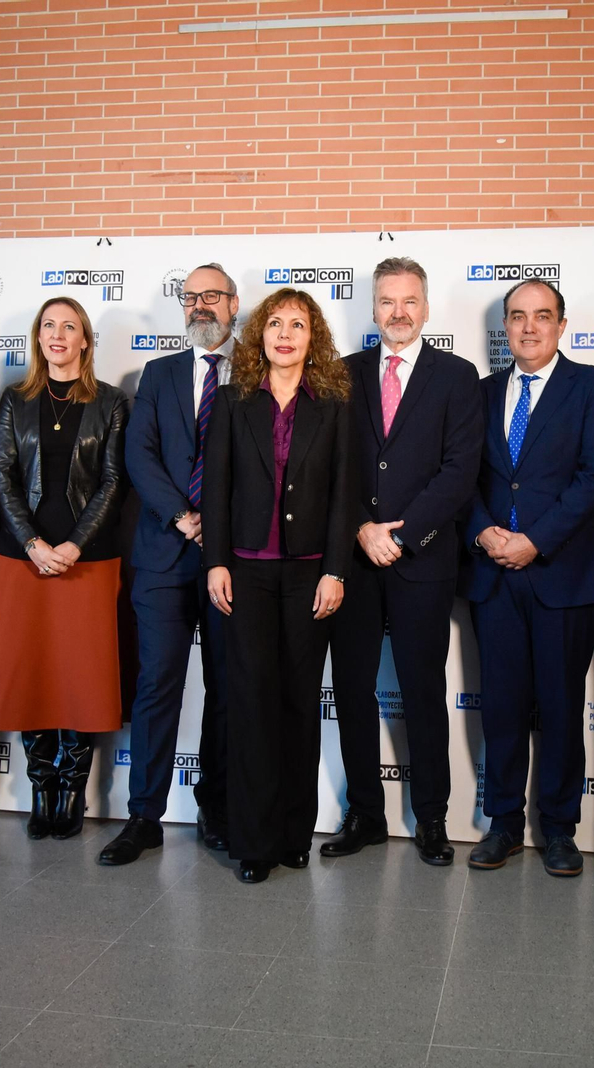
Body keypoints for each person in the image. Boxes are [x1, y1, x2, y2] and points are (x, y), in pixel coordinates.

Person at [460, 279, 594, 877]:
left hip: (563, 575)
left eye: (542, 317)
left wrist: (535, 541)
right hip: (492, 574)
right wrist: (483, 533)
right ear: (505, 326)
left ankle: (559, 829)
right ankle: (502, 824)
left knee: (559, 707)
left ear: (561, 324)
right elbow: (462, 477)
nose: (529, 327)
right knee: (500, 706)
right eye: (518, 317)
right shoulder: (478, 394)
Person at [323, 257, 483, 866]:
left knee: (422, 688)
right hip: (355, 560)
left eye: (409, 300)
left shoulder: (456, 375)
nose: (398, 312)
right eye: (387, 301)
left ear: (426, 306)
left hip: (424, 558)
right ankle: (364, 812)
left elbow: (459, 470)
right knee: (354, 689)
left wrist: (405, 532)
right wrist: (362, 530)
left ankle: (432, 818)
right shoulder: (342, 375)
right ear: (373, 308)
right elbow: (331, 470)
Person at [202, 287, 356, 884]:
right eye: (275, 324)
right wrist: (216, 560)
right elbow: (216, 486)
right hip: (245, 569)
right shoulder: (236, 399)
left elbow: (344, 494)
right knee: (250, 703)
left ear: (312, 336)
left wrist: (336, 569)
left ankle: (294, 832)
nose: (285, 334)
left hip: (310, 571)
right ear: (259, 335)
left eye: (297, 324)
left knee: (297, 701)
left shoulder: (334, 403)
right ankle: (253, 839)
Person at [0, 297, 129, 840]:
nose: (58, 334)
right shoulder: (16, 400)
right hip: (22, 560)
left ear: (85, 339)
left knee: (81, 678)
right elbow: (2, 474)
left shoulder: (111, 402)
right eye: (49, 326)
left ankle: (73, 791)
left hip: (89, 561)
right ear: (38, 338)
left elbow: (112, 481)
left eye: (70, 326)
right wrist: (34, 543)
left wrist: (74, 546)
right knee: (32, 672)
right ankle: (42, 788)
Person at [99, 263, 239, 866]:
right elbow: (140, 455)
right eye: (191, 297)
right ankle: (143, 817)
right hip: (163, 554)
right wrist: (183, 516)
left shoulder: (260, 372)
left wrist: (220, 525)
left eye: (212, 296)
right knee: (157, 685)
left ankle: (216, 809)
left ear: (235, 304)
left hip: (233, 559)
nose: (200, 306)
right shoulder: (157, 374)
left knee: (227, 689)